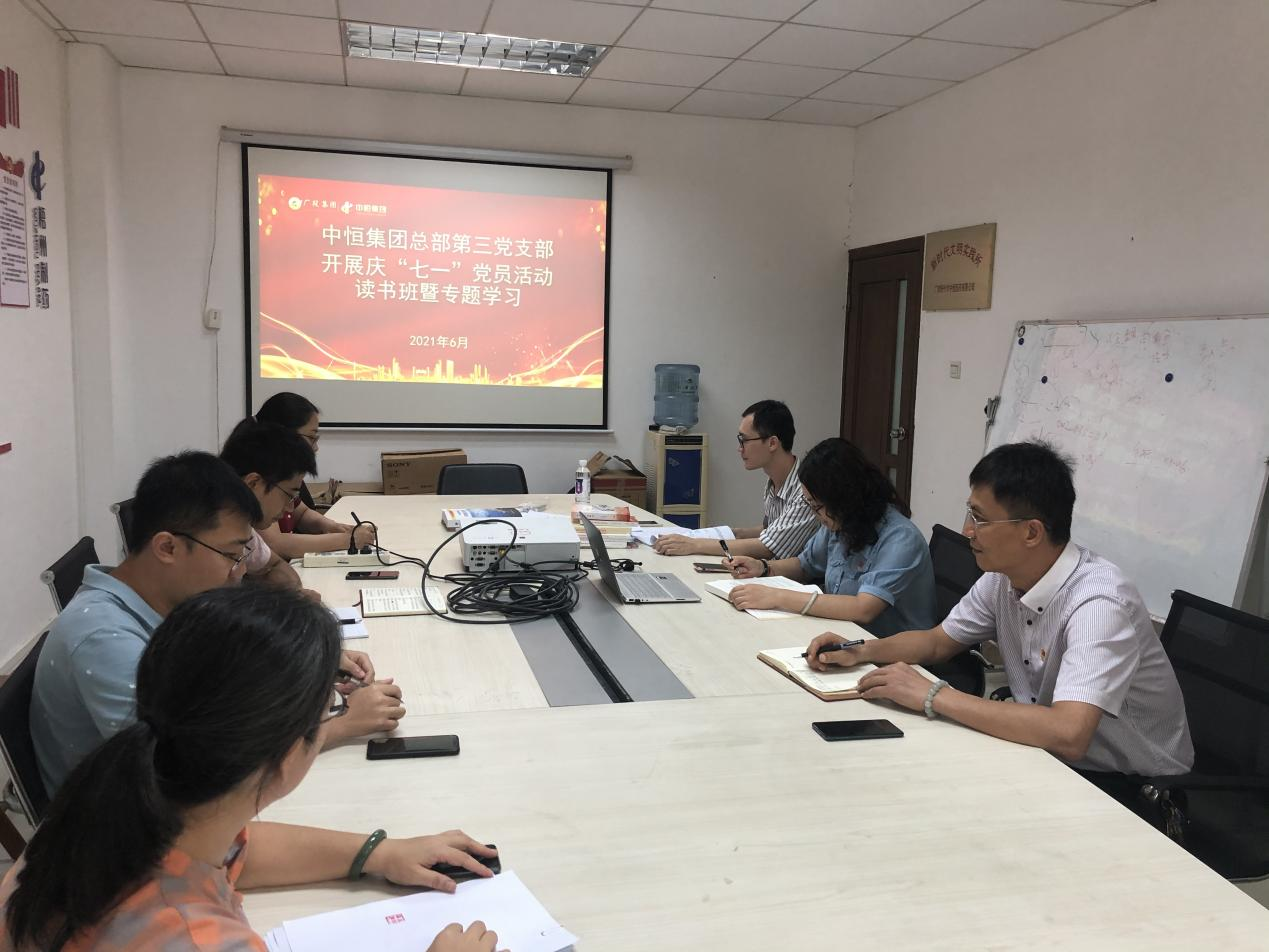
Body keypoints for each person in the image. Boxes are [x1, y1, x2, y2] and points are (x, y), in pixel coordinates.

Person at [5, 587, 499, 952]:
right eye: (328, 709)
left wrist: (378, 853)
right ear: (284, 753)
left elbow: (238, 850)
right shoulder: (195, 939)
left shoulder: (112, 805)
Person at [805, 440, 1194, 792]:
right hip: (1046, 756)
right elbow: (937, 642)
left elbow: (1069, 732)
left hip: (1132, 787)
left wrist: (934, 695)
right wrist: (861, 650)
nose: (967, 531)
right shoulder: (1002, 579)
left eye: (980, 519)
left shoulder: (1099, 604)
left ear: (1031, 533)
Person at [30, 452, 406, 794]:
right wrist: (337, 727)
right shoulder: (103, 637)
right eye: (230, 554)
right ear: (167, 547)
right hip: (117, 826)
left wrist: (307, 666)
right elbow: (184, 770)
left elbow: (215, 677)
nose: (239, 571)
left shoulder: (161, 601)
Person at [725, 438, 937, 635]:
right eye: (810, 504)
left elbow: (863, 608)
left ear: (844, 498)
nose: (816, 515)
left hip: (889, 651)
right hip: (843, 635)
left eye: (817, 507)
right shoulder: (842, 522)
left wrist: (777, 596)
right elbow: (805, 565)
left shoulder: (901, 539)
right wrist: (763, 568)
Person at [653, 400, 817, 560]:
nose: (740, 448)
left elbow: (768, 548)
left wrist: (694, 544)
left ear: (772, 443)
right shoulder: (774, 480)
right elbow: (771, 529)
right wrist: (735, 533)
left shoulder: (806, 491)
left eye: (744, 440)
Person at [254, 392, 375, 559]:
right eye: (311, 438)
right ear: (284, 433)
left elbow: (300, 513)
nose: (316, 448)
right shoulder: (258, 474)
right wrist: (348, 540)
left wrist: (334, 527)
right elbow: (275, 544)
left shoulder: (281, 468)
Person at [219, 418, 318, 592]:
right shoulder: (206, 534)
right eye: (289, 495)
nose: (290, 508)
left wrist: (294, 596)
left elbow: (276, 566)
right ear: (253, 483)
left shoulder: (243, 527)